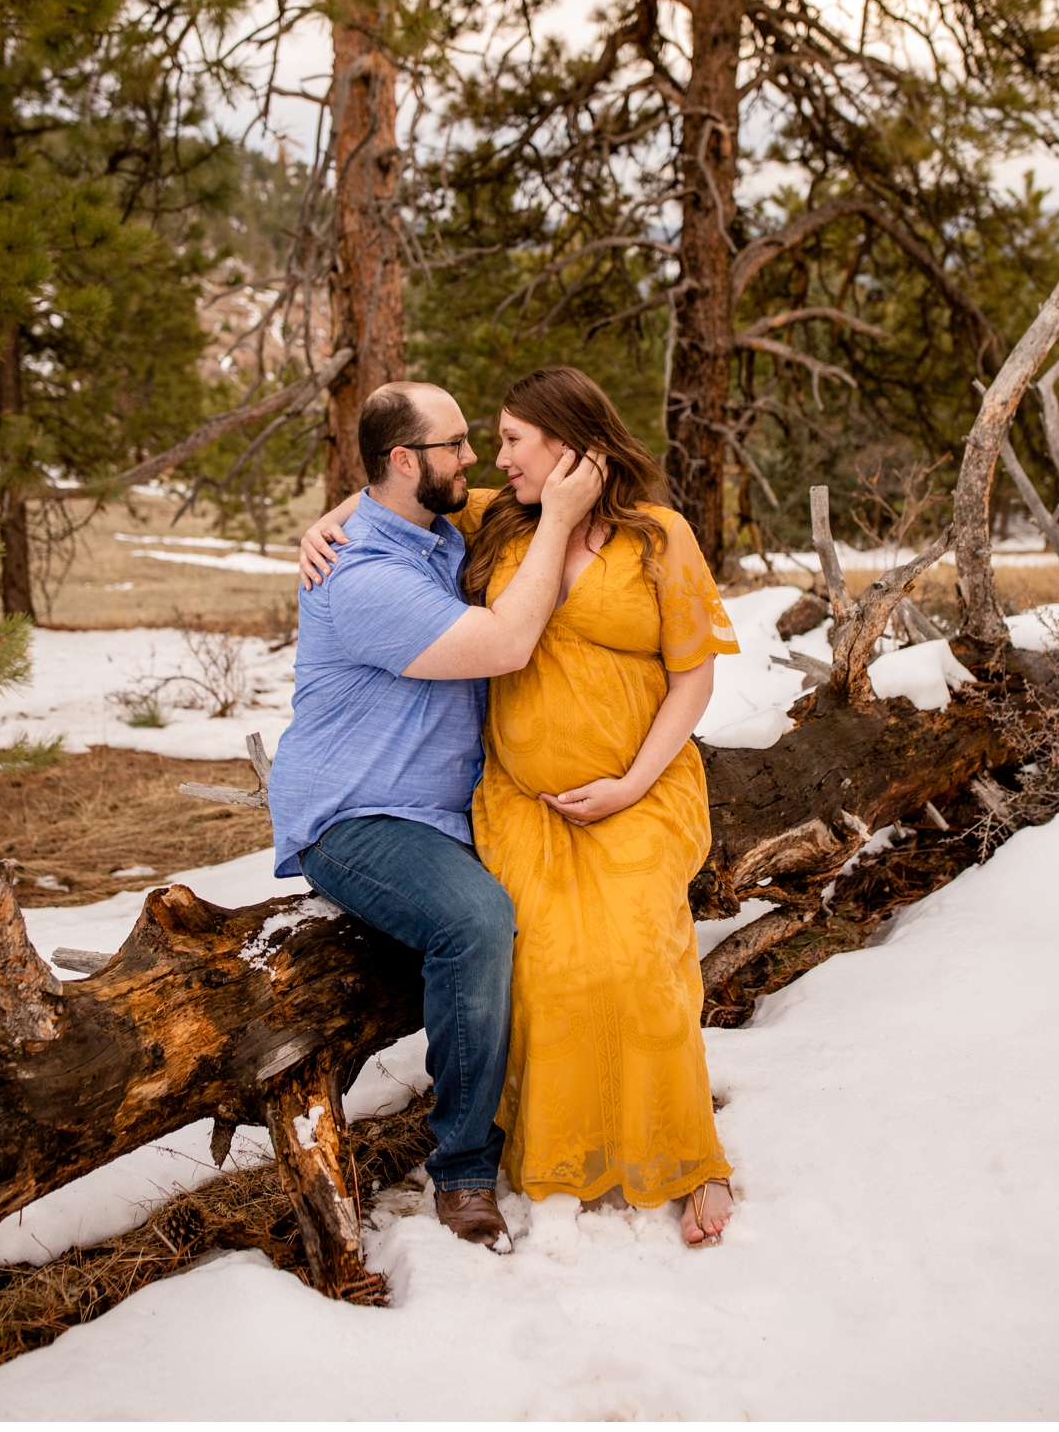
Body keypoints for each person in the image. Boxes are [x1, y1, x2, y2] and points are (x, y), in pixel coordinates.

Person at [301, 366, 741, 1248]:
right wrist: (328, 522)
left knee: (640, 962)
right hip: (520, 799)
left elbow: (695, 673)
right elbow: (396, 494)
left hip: (639, 789)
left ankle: (690, 1156)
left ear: (572, 449)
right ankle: (543, 1151)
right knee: (546, 971)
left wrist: (632, 783)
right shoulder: (497, 521)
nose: (490, 459)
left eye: (507, 441)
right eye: (480, 443)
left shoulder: (661, 536)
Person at [266, 380, 603, 1253]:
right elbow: (504, 644)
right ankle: (460, 1167)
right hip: (355, 814)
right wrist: (559, 524)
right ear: (407, 463)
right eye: (456, 446)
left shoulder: (432, 526)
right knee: (476, 921)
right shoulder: (364, 576)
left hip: (438, 810)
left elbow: (387, 493)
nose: (476, 460)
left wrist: (335, 506)